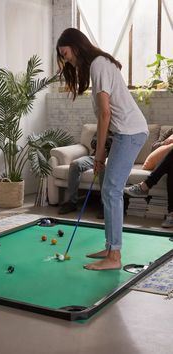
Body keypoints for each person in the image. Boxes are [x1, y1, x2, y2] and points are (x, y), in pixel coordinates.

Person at [56, 28, 148, 270]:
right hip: (124, 133)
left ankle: (114, 257)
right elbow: (109, 116)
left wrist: (98, 154)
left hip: (131, 131)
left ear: (75, 46)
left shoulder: (98, 64)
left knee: (111, 191)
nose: (66, 59)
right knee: (109, 190)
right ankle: (109, 247)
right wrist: (102, 151)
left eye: (65, 53)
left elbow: (106, 113)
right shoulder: (99, 64)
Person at [124, 128, 173, 228]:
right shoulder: (171, 130)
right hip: (164, 164)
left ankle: (145, 186)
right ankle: (171, 215)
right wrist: (165, 142)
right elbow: (154, 147)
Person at [58, 133, 113, 216]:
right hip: (95, 157)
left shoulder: (120, 129)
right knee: (75, 164)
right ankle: (72, 202)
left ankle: (105, 205)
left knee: (103, 167)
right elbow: (93, 144)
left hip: (112, 159)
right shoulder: (101, 128)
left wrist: (107, 142)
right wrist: (102, 140)